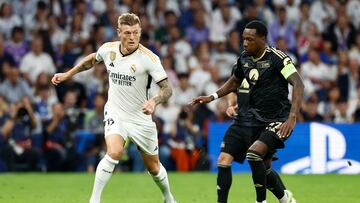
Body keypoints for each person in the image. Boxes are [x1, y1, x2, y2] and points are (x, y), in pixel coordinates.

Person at [51, 13, 177, 203]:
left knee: (154, 167)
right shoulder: (108, 49)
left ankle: (168, 198)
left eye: (136, 32)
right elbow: (92, 60)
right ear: (119, 33)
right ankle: (94, 200)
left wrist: (154, 101)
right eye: (127, 33)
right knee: (114, 152)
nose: (132, 37)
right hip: (116, 112)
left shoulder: (149, 59)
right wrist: (68, 74)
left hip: (140, 118)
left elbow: (167, 89)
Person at [191, 20, 304, 203]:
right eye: (244, 39)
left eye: (250, 39)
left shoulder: (278, 58)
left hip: (278, 120)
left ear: (262, 39)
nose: (245, 43)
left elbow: (298, 83)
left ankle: (261, 201)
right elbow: (234, 82)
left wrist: (292, 117)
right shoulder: (244, 58)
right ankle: (285, 199)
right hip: (254, 120)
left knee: (253, 155)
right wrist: (211, 97)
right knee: (263, 166)